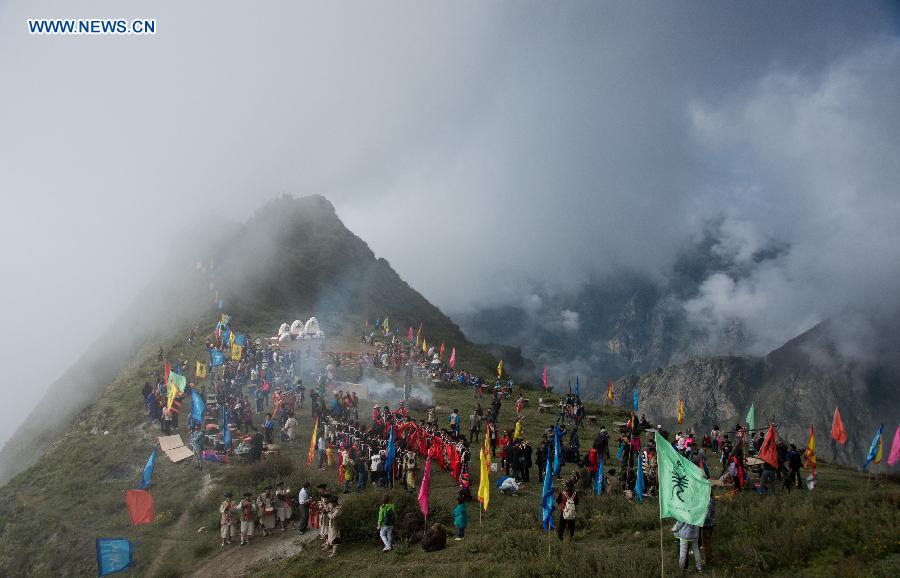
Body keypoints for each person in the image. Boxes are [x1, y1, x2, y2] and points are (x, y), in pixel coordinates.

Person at [700, 493, 717, 565]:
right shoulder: (712, 500)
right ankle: (710, 557)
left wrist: (699, 519)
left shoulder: (708, 501)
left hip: (706, 525)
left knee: (706, 544)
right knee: (707, 542)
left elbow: (707, 516)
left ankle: (708, 560)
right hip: (710, 524)